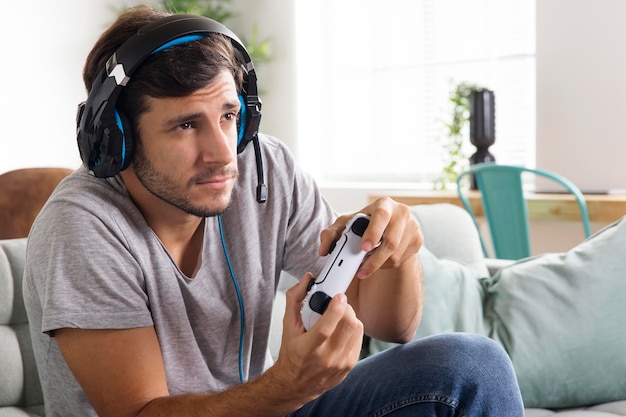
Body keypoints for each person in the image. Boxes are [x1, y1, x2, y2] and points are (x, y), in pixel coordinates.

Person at [23, 5, 524, 417]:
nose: (223, 151)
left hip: (267, 406)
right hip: (253, 405)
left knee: (470, 364)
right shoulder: (82, 223)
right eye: (185, 126)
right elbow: (141, 414)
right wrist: (287, 384)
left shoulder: (264, 168)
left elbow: (392, 326)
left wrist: (399, 253)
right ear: (116, 138)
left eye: (228, 116)